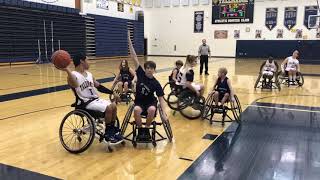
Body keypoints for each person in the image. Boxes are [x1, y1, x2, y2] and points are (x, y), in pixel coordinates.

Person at [57, 52, 123, 144]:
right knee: (109, 108)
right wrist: (67, 70)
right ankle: (108, 133)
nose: (89, 62)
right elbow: (75, 84)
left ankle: (112, 130)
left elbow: (99, 87)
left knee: (114, 106)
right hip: (85, 103)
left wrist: (113, 93)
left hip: (95, 100)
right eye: (88, 59)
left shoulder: (89, 74)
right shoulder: (73, 75)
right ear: (82, 61)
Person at [128, 31, 168, 141]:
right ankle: (140, 130)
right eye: (147, 68)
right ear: (145, 69)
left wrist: (164, 112)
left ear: (154, 70)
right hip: (139, 102)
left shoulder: (156, 83)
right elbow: (134, 57)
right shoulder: (140, 73)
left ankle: (146, 130)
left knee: (151, 110)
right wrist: (129, 42)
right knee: (136, 110)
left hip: (150, 102)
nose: (149, 70)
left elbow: (161, 99)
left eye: (151, 68)